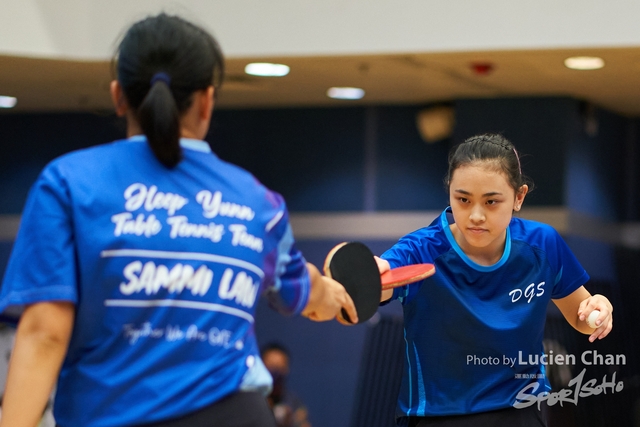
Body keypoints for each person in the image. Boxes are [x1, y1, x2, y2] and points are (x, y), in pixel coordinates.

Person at [0, 13, 357, 427]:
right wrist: (333, 296)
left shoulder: (67, 184)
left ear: (119, 96)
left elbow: (45, 334)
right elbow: (300, 289)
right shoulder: (258, 202)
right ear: (207, 101)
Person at [375, 133, 613, 427]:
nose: (476, 215)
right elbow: (380, 281)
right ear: (450, 192)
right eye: (463, 199)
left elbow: (581, 314)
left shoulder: (543, 244)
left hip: (521, 413)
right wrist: (369, 276)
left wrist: (598, 309)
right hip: (438, 417)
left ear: (519, 197)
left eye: (491, 202)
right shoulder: (420, 249)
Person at [260, 343, 311, 427]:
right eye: (271, 366)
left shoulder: (294, 404)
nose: (275, 373)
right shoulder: (251, 403)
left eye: (279, 367)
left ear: (286, 369)